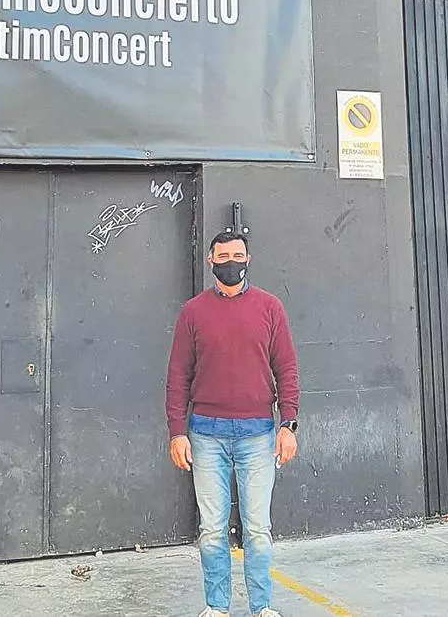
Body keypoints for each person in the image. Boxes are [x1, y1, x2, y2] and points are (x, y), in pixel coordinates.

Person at [166, 231, 300, 617]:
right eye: (223, 256)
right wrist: (177, 431)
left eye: (237, 255)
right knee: (212, 529)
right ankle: (216, 607)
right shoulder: (192, 312)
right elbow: (178, 375)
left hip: (258, 434)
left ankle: (262, 607)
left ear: (248, 259)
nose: (231, 262)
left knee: (258, 528)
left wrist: (288, 424)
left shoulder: (270, 308)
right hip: (205, 434)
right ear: (210, 261)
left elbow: (286, 368)